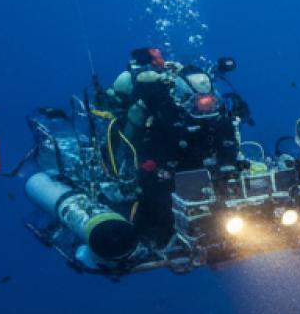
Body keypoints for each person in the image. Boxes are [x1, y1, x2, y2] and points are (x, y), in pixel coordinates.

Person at [100, 47, 239, 244]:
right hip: (165, 166)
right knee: (155, 197)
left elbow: (227, 138)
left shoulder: (217, 116)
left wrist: (228, 164)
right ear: (182, 99)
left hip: (196, 168)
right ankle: (151, 235)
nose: (205, 110)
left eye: (209, 103)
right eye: (198, 104)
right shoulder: (162, 112)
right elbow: (148, 154)